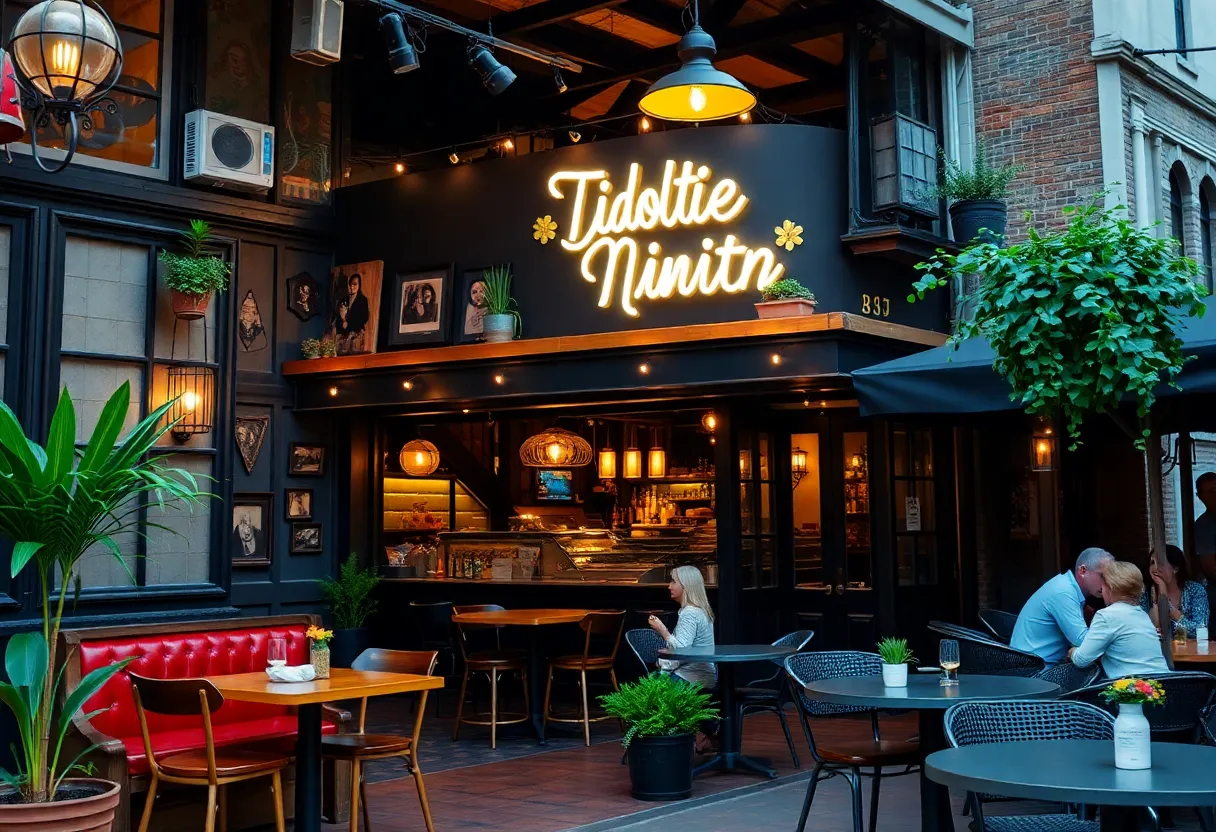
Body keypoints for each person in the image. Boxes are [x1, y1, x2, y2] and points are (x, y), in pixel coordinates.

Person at [648, 565, 717, 752]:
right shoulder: (698, 610)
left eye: (673, 581)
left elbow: (683, 650)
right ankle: (703, 733)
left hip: (694, 676)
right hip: (702, 673)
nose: (669, 586)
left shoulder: (690, 613)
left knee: (651, 693)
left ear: (685, 586)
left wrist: (663, 631)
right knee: (655, 683)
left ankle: (669, 746)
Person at [1011, 547, 1114, 663]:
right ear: (1083, 571)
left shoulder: (1066, 585)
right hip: (1035, 669)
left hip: (1039, 662)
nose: (1108, 583)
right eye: (1103, 576)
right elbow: (1085, 643)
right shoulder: (1064, 592)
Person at [1069, 561, 1168, 679]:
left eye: (1103, 585)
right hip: (1161, 687)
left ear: (1109, 588)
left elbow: (1082, 660)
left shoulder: (1106, 616)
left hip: (1133, 691)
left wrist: (1072, 652)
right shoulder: (1141, 613)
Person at [1141, 544, 1209, 637]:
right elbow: (1147, 631)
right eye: (1152, 562)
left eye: (1160, 563)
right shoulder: (1146, 594)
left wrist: (1171, 611)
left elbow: (1200, 630)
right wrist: (1157, 600)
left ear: (1176, 568)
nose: (1155, 568)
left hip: (1191, 650)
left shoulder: (1195, 590)